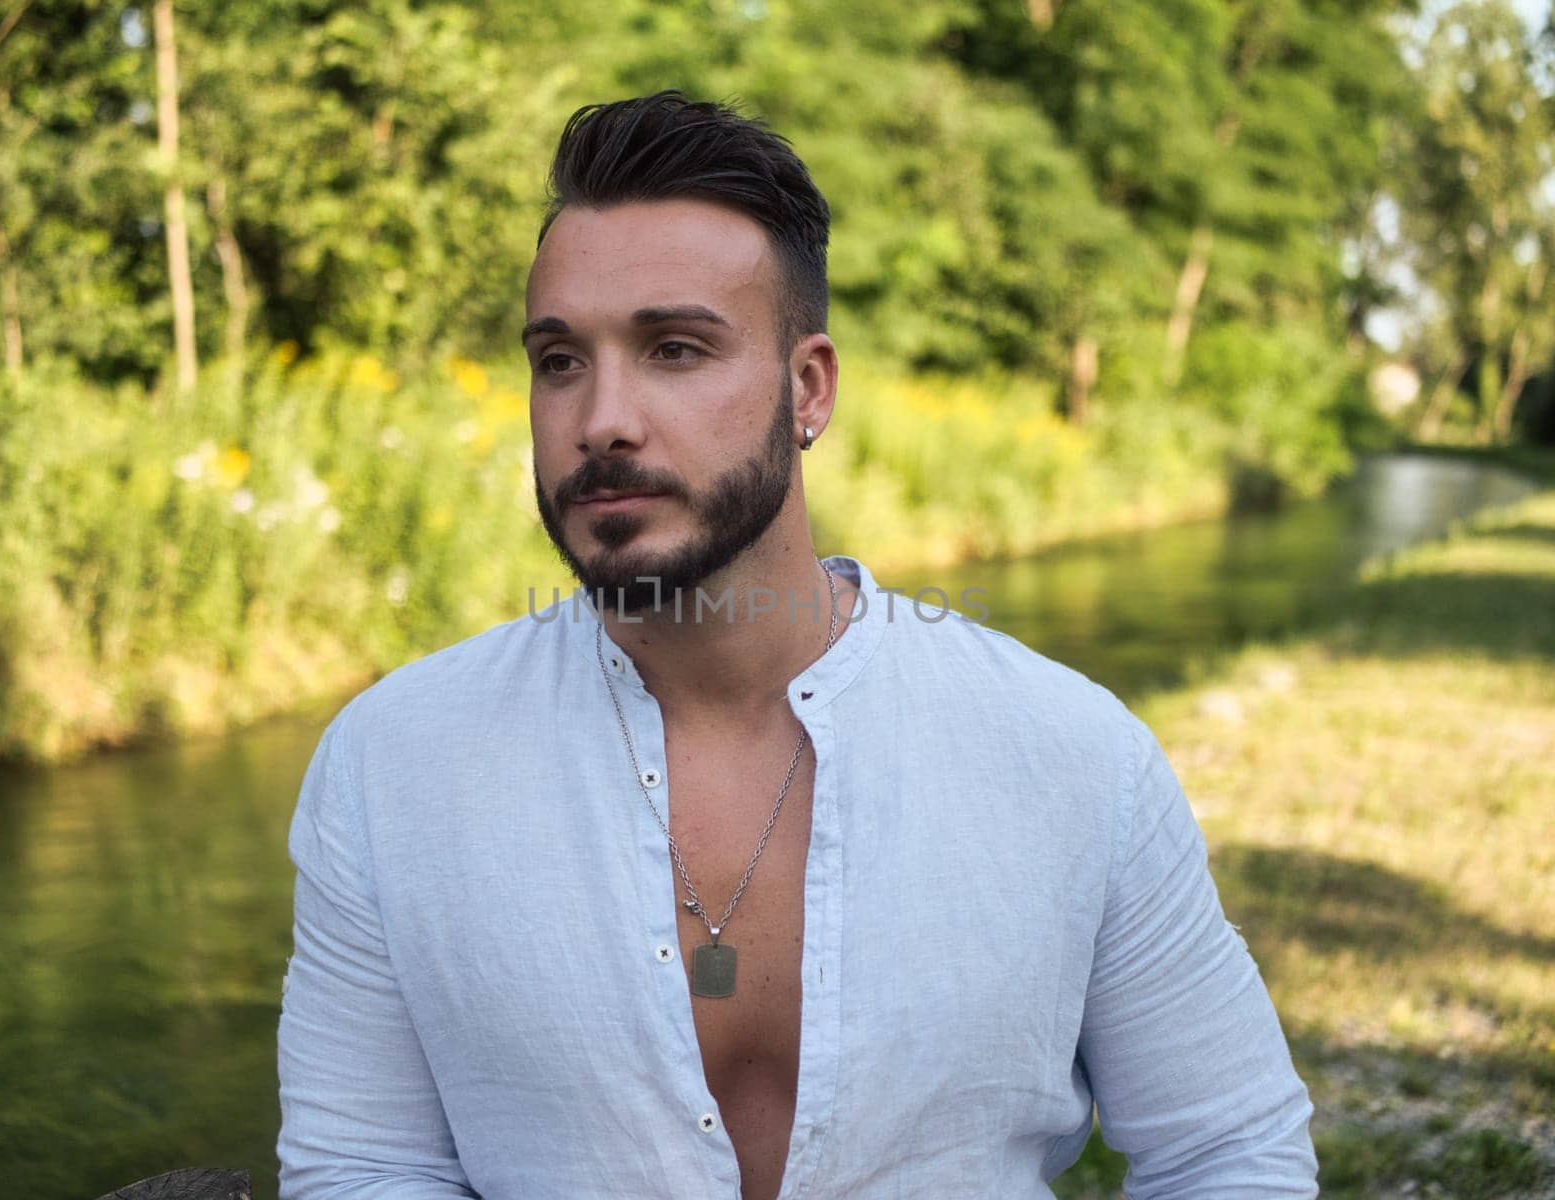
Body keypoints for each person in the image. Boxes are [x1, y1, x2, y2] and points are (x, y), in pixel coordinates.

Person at [276, 90, 1318, 1199]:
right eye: (559, 360)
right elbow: (363, 1168)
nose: (600, 420)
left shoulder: (1070, 757)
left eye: (674, 349)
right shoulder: (389, 768)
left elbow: (1226, 1153)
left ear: (806, 387)